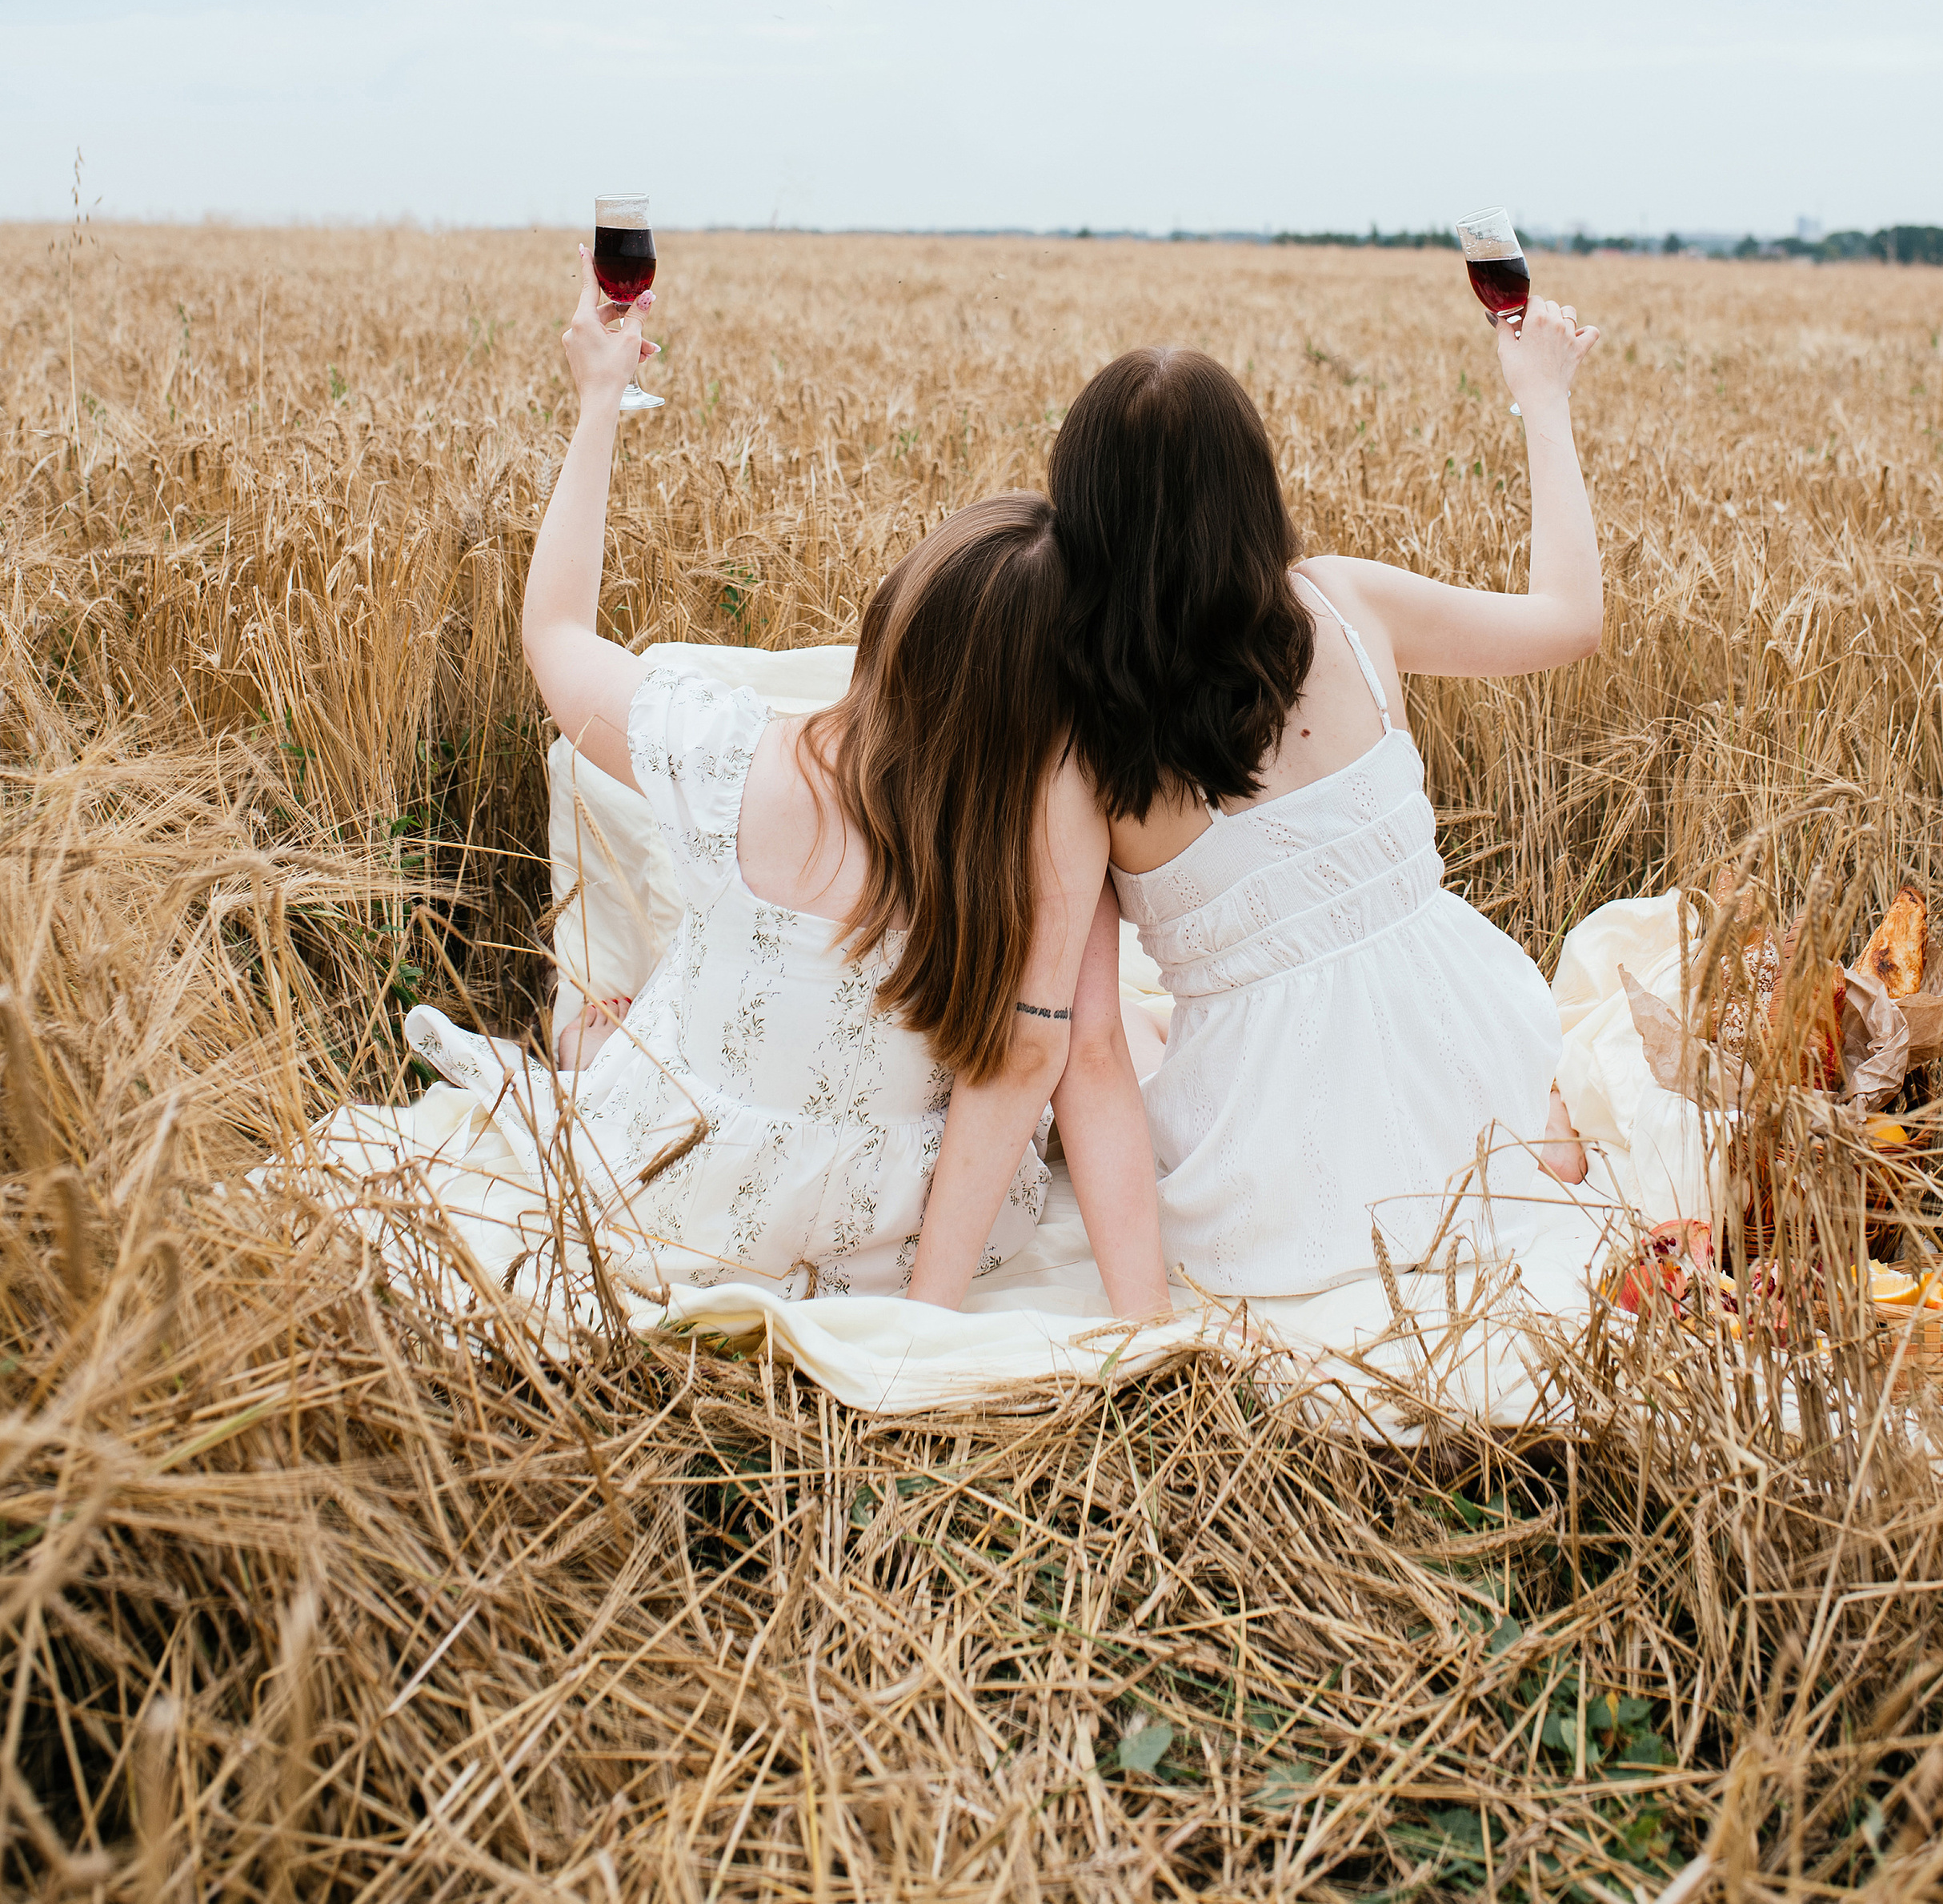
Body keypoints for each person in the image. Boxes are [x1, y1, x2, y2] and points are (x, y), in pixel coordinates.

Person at [449, 253, 1169, 1317]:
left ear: (890, 629)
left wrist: (602, 398)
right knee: (1125, 1026)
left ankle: (603, 1040)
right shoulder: (1035, 839)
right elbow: (1031, 1067)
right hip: (878, 1237)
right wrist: (929, 1321)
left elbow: (554, 632)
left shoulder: (734, 748)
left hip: (670, 1179)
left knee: (648, 1015)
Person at [1047, 295, 1601, 1299]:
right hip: (1464, 1039)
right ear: (1256, 491)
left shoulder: (1092, 735)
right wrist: (1542, 398)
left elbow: (1083, 1051)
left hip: (1272, 1146)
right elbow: (1569, 619)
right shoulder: (1345, 603)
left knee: (1131, 1020)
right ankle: (1529, 1142)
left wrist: (1142, 1323)